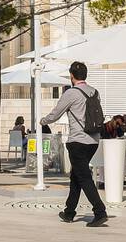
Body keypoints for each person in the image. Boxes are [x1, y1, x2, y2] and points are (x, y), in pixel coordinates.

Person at [45, 61, 108, 227]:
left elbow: (55, 114)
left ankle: (100, 211)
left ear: (71, 76)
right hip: (93, 141)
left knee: (84, 177)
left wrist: (42, 121)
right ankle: (69, 212)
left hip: (78, 141)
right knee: (76, 176)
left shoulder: (71, 93)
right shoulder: (95, 92)